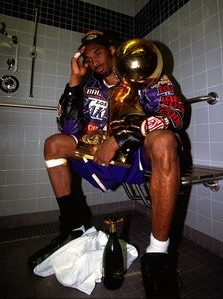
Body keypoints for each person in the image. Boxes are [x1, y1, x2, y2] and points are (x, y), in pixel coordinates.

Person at [28, 29, 185, 298]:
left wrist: (120, 138)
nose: (93, 62)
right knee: (54, 143)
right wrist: (75, 81)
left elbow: (174, 113)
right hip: (96, 155)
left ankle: (157, 256)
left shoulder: (141, 69)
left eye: (97, 53)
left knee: (164, 141)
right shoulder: (88, 86)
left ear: (112, 50)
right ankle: (73, 227)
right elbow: (69, 129)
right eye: (88, 59)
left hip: (136, 156)